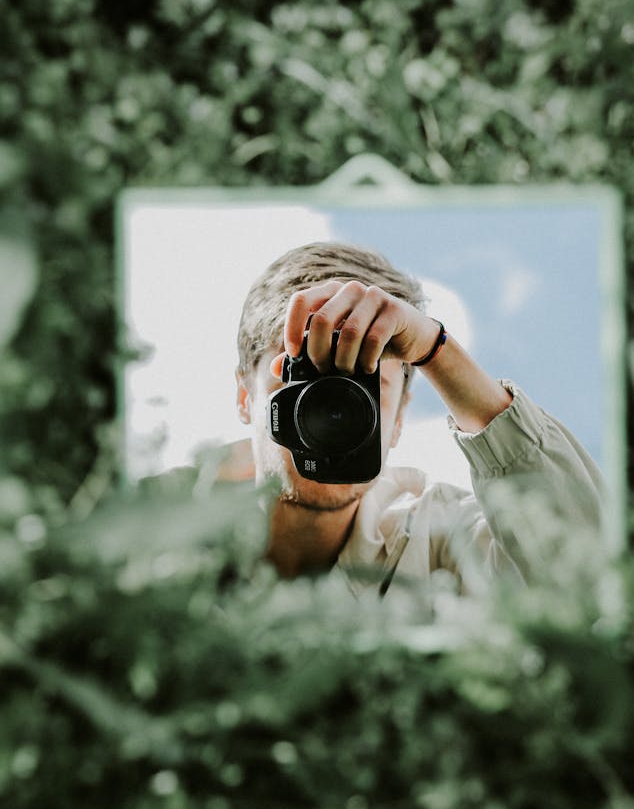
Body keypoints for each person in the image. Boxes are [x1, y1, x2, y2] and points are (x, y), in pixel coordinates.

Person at [235, 241, 605, 594]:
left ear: (398, 419)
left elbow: (590, 574)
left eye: (365, 391)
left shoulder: (442, 542)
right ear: (245, 397)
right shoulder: (181, 545)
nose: (335, 413)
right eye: (302, 382)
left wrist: (433, 349)